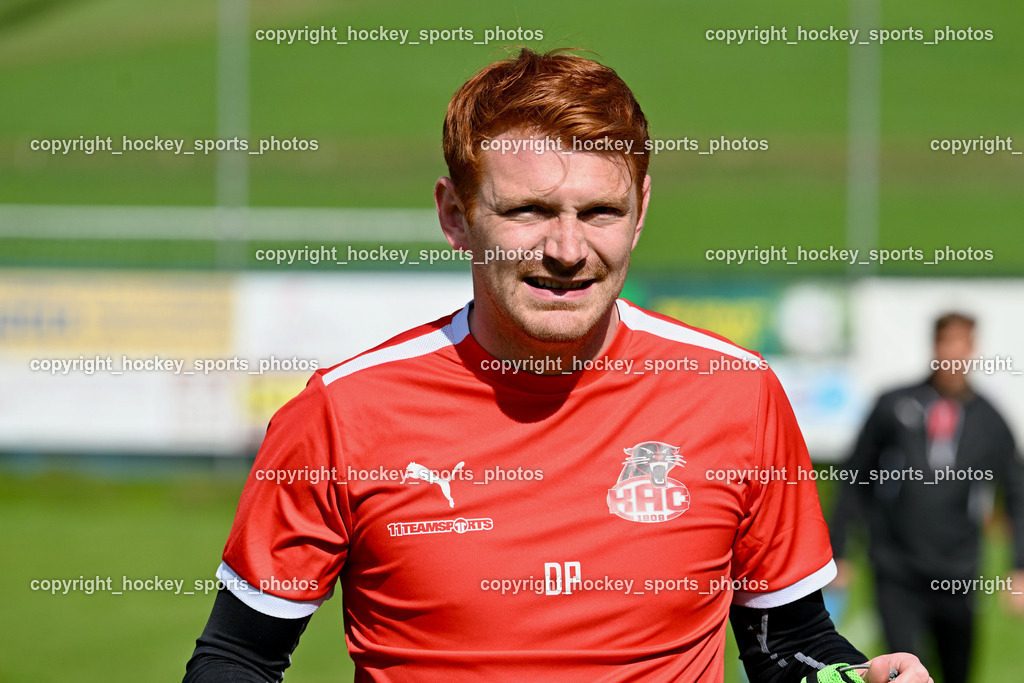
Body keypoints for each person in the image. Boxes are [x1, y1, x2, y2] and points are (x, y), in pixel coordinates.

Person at [183, 48, 930, 682]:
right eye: (529, 211)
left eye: (599, 212)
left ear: (641, 208)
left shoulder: (736, 394)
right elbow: (236, 656)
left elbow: (786, 645)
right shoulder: (341, 412)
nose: (568, 250)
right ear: (454, 215)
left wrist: (853, 679)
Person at [830, 312, 1024, 683]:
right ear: (934, 347)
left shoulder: (990, 420)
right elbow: (856, 475)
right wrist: (839, 549)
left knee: (956, 670)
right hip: (896, 568)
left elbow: (1016, 492)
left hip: (958, 572)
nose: (952, 353)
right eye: (945, 343)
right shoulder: (894, 404)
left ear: (972, 350)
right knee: (901, 670)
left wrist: (1019, 567)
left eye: (961, 344)